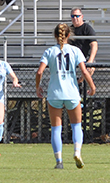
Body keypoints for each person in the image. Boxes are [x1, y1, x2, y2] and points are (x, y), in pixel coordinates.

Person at [35, 23, 96, 169]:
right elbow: (84, 71)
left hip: (54, 94)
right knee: (76, 126)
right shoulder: (75, 51)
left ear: (55, 35)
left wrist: (38, 87)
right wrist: (92, 87)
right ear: (69, 35)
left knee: (56, 128)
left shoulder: (49, 51)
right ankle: (77, 152)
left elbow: (39, 72)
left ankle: (59, 161)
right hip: (72, 93)